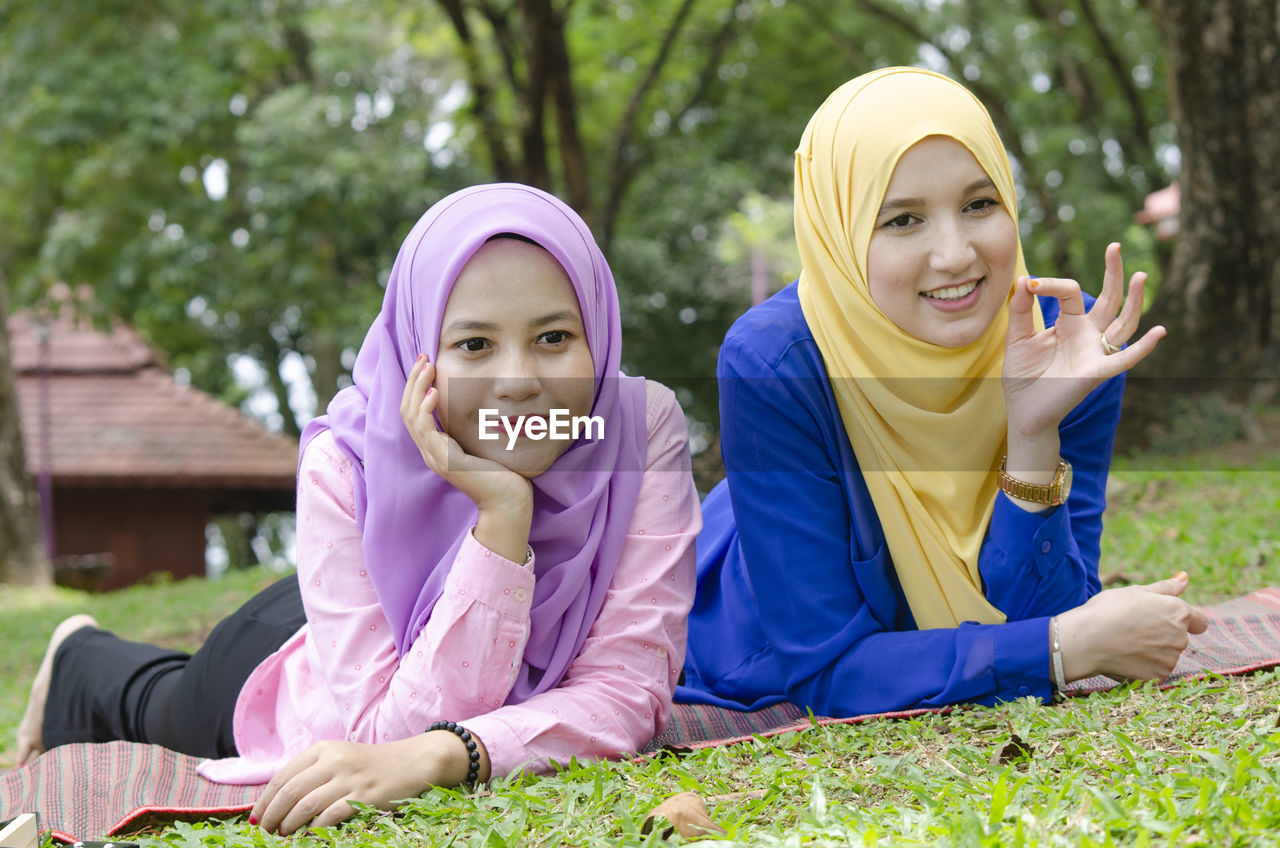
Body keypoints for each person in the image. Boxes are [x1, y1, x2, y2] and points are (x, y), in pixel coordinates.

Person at [16, 183, 700, 835]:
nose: (518, 382)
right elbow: (382, 734)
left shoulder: (639, 428)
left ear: (599, 334)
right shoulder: (345, 464)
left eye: (554, 338)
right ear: (419, 352)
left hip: (384, 632)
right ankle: (74, 654)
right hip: (302, 659)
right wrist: (502, 517)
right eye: (474, 345)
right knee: (162, 706)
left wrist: (444, 756)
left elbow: (630, 690)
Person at [676, 68, 1208, 718]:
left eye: (980, 205)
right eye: (903, 220)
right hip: (752, 645)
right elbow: (828, 669)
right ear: (838, 234)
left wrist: (1033, 434)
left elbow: (1051, 607)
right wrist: (1064, 648)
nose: (955, 254)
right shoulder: (776, 362)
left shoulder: (1070, 341)